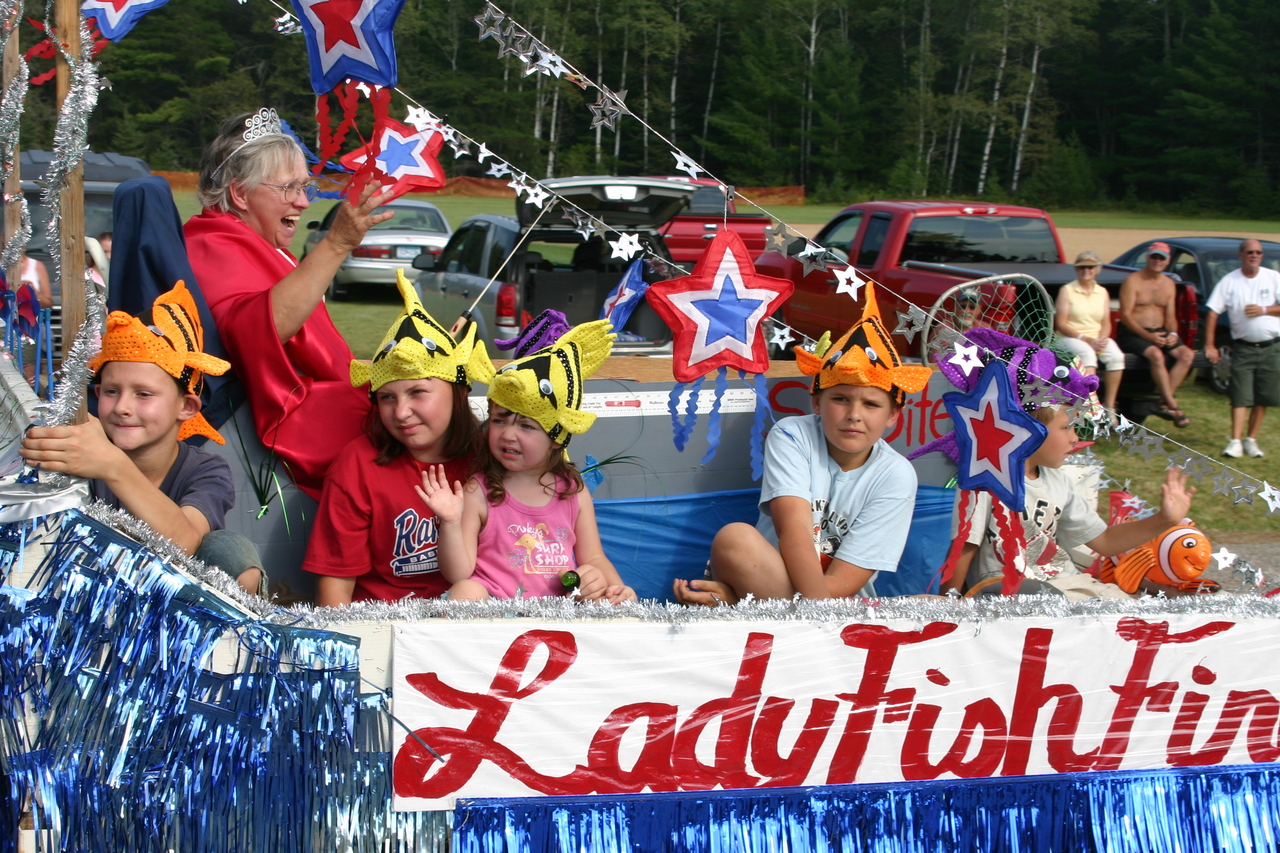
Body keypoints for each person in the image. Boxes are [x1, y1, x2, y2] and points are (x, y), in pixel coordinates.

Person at [672, 282, 931, 605]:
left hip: (837, 600)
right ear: (817, 404)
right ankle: (760, 607)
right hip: (771, 579)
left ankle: (742, 605)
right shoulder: (792, 435)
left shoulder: (896, 474)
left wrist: (745, 600)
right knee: (734, 538)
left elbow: (846, 579)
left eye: (871, 405)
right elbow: (794, 530)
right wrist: (814, 612)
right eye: (840, 399)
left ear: (893, 415)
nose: (854, 415)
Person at [184, 108, 394, 499]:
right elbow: (258, 329)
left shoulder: (250, 243)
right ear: (239, 193)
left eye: (306, 188)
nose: (303, 202)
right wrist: (336, 244)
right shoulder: (210, 244)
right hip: (270, 448)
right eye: (289, 188)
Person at [18, 281, 266, 595]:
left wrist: (112, 466)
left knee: (228, 548)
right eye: (111, 391)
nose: (122, 407)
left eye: (143, 394)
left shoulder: (207, 471)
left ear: (186, 406)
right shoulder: (81, 451)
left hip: (174, 610)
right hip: (90, 595)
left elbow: (186, 542)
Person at [420, 315, 637, 603]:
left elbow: (594, 556)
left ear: (557, 437)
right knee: (465, 590)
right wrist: (449, 522)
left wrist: (614, 590)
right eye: (499, 420)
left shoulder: (574, 490)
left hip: (559, 611)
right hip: (493, 611)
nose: (508, 434)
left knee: (593, 578)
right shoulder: (479, 490)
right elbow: (460, 573)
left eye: (526, 426)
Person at [303, 272, 481, 606]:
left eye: (418, 392)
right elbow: (335, 587)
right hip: (383, 625)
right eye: (386, 398)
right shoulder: (358, 464)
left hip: (477, 626)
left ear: (458, 392)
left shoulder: (492, 458)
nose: (400, 413)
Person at [1204, 239, 1280, 458]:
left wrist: (1264, 309)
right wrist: (1210, 345)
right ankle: (1235, 441)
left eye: (1258, 252)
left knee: (1262, 396)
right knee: (1240, 395)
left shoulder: (1273, 277)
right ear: (1241, 255)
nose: (1254, 255)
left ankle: (1251, 440)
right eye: (1249, 252)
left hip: (1271, 347)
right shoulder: (1230, 281)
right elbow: (1212, 311)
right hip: (1244, 348)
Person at [1117, 241, 1195, 427]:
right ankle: (1173, 404)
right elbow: (1125, 315)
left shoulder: (1169, 284)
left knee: (1187, 355)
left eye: (1161, 258)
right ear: (1148, 258)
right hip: (1133, 333)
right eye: (1154, 256)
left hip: (1160, 332)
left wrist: (1173, 334)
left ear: (1167, 261)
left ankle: (1161, 402)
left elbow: (1170, 316)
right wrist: (1148, 337)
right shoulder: (1133, 281)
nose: (1157, 261)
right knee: (1156, 356)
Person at [1054, 251, 1125, 413]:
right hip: (1070, 337)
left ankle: (1110, 406)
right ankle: (1092, 406)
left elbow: (1106, 322)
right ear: (1076, 270)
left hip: (1096, 337)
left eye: (1091, 267)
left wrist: (1102, 339)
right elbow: (1061, 324)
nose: (1086, 270)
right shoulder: (1067, 290)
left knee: (1117, 356)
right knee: (1087, 354)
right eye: (1082, 267)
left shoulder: (1102, 292)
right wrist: (1086, 339)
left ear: (1097, 269)